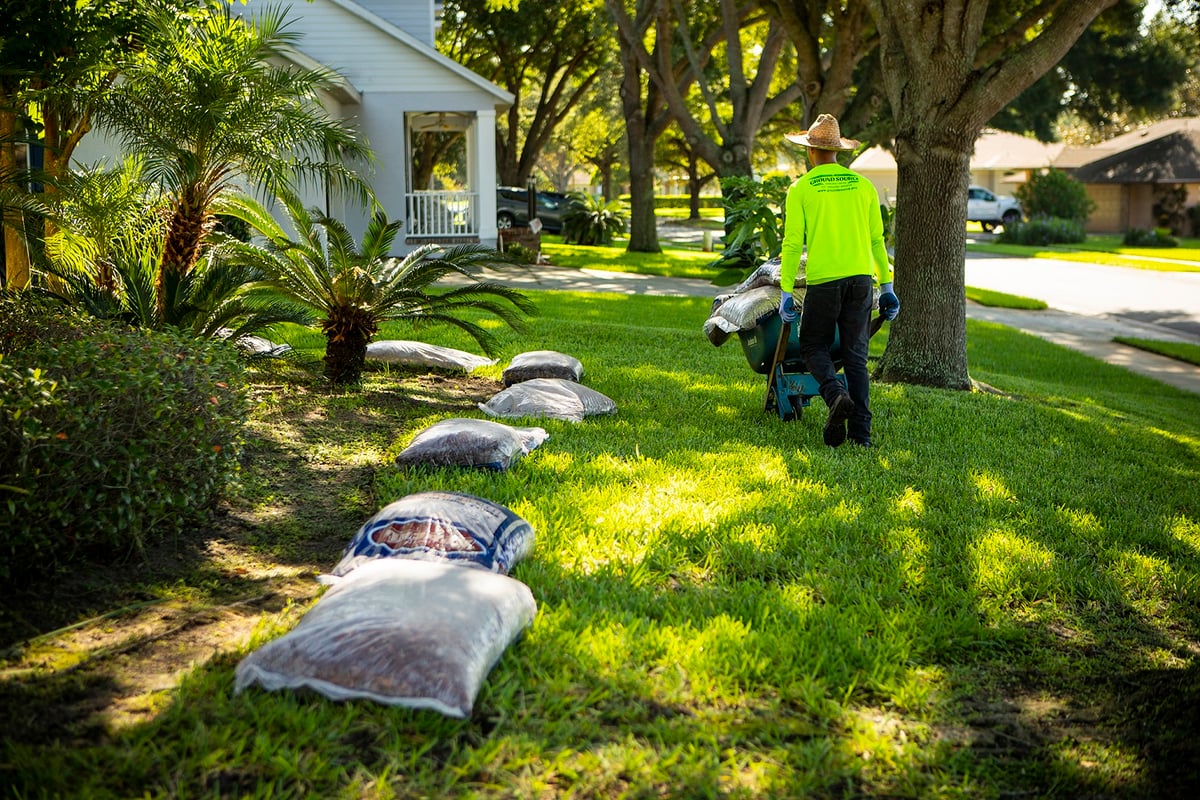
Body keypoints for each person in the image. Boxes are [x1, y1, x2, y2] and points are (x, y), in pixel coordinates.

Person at [778, 114, 899, 448]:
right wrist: (887, 286)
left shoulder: (801, 188)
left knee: (813, 345)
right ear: (838, 151)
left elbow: (792, 244)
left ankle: (835, 396)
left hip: (824, 281)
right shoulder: (863, 186)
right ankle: (862, 436)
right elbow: (878, 241)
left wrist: (787, 291)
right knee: (856, 357)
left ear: (810, 152)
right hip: (862, 281)